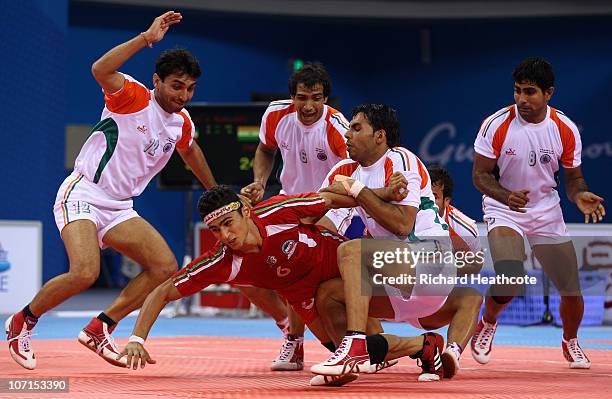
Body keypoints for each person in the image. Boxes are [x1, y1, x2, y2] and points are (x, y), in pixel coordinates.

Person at [5, 11, 218, 370]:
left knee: (164, 266)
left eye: (190, 88)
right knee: (85, 272)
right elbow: (100, 69)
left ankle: (100, 327)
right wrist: (145, 39)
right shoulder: (133, 97)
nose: (184, 94)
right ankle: (21, 321)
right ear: (158, 81)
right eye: (176, 85)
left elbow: (190, 149)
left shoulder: (181, 122)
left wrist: (216, 191)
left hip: (120, 207)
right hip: (84, 193)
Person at [116, 184, 431, 376]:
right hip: (311, 298)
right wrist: (136, 339)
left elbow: (331, 199)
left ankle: (435, 309)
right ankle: (423, 345)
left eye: (229, 223)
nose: (226, 235)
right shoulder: (222, 260)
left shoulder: (278, 211)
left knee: (369, 337)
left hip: (346, 268)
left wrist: (382, 195)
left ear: (246, 212)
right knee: (356, 358)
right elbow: (163, 291)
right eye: (216, 230)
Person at [310, 104, 469, 383]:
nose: (347, 134)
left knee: (352, 250)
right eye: (349, 128)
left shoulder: (400, 159)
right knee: (327, 295)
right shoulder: (343, 170)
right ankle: (355, 363)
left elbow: (402, 225)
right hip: (397, 285)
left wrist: (356, 191)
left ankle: (356, 342)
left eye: (356, 128)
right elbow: (322, 219)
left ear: (379, 136)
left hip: (431, 265)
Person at [471, 57, 605, 369]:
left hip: (546, 211)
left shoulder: (565, 129)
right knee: (510, 275)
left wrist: (580, 195)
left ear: (548, 93)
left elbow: (574, 179)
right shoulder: (495, 124)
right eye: (517, 91)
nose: (521, 99)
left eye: (530, 92)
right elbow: (480, 176)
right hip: (504, 209)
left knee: (570, 288)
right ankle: (487, 323)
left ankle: (571, 342)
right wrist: (506, 196)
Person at [239, 62, 351, 371]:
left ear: (325, 99)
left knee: (301, 261)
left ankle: (308, 341)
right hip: (289, 200)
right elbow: (264, 150)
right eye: (302, 97)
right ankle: (292, 334)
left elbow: (354, 176)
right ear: (292, 97)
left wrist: (322, 206)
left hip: (331, 203)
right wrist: (260, 183)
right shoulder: (276, 115)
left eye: (316, 98)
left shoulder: (337, 128)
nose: (309, 105)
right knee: (247, 262)